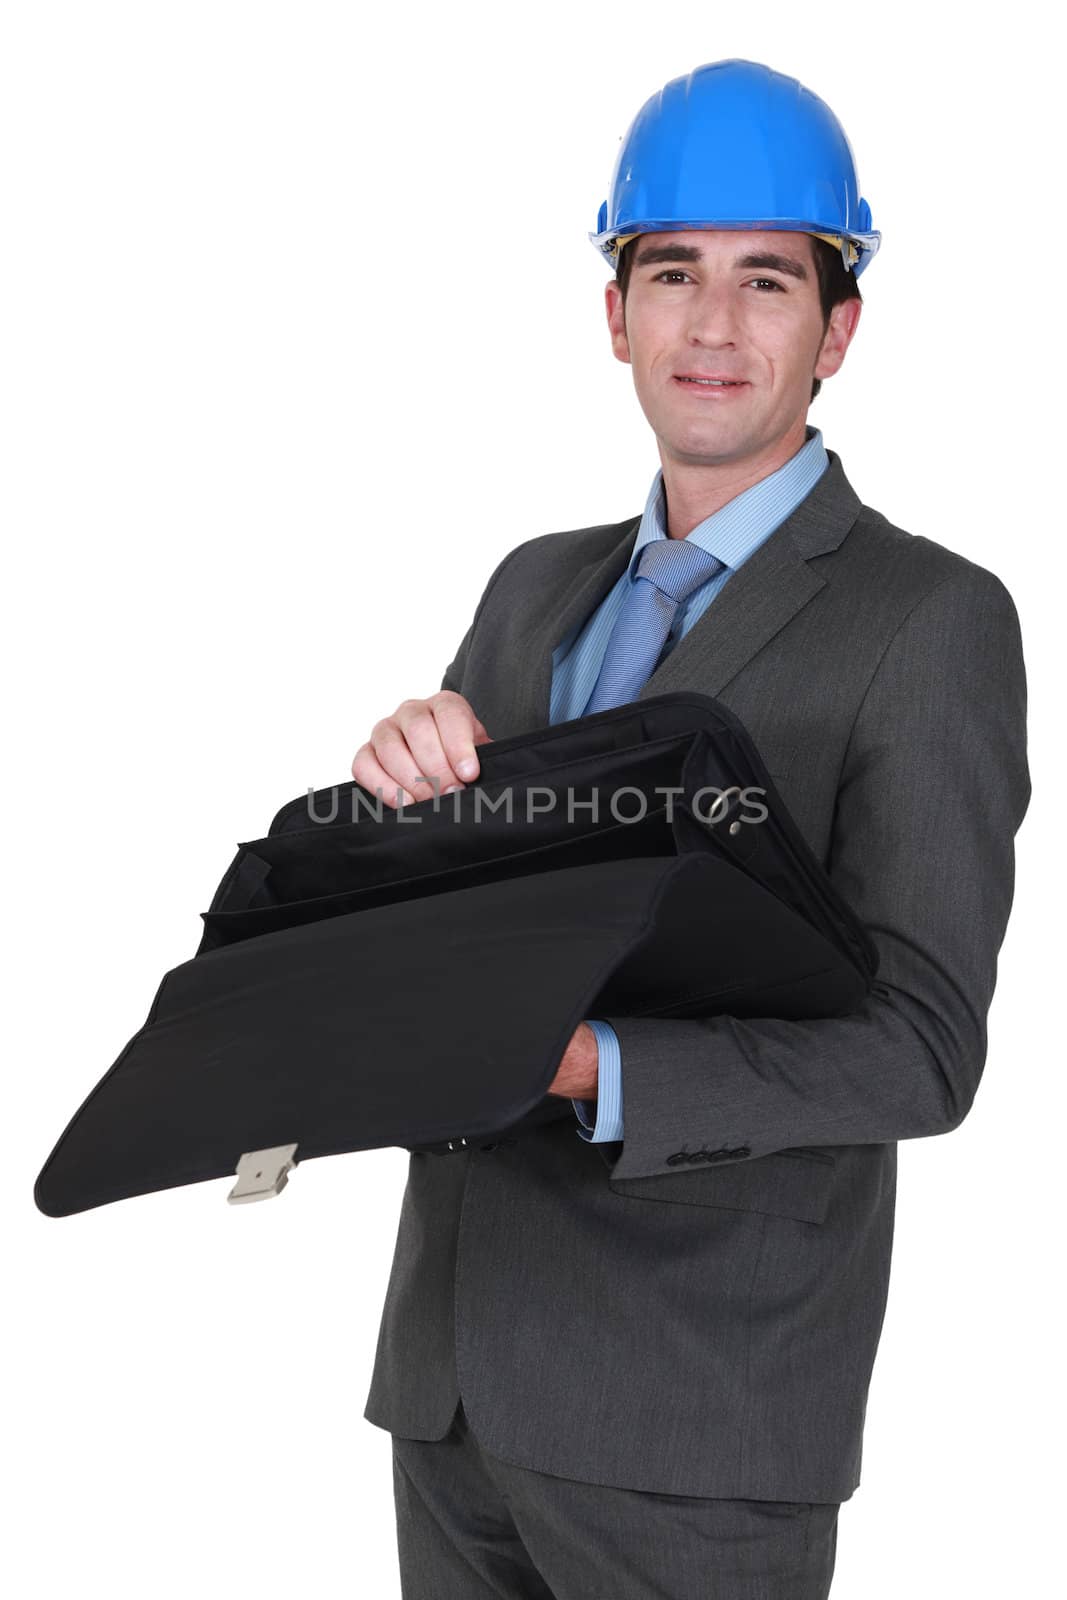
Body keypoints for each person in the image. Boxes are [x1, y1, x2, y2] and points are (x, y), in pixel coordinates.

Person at [354, 58, 1031, 1600]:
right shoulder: (535, 587)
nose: (712, 328)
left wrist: (602, 1069)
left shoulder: (927, 620)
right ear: (616, 315)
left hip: (697, 1419)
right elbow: (455, 924)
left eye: (765, 282)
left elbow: (923, 1048)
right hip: (452, 1385)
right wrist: (389, 805)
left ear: (837, 331)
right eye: (672, 274)